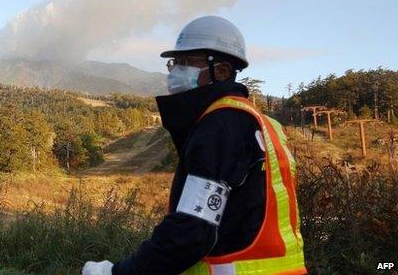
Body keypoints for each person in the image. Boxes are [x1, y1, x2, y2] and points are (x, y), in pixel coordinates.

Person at [81, 16, 306, 275]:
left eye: (187, 63)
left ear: (221, 71)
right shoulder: (259, 122)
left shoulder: (221, 124)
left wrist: (117, 272)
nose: (176, 71)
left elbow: (192, 231)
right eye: (175, 63)